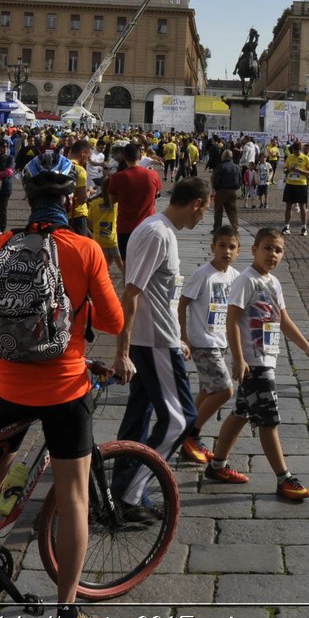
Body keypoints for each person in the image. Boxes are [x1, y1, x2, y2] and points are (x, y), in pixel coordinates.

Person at [0, 148, 125, 618]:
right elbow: (112, 321)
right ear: (72, 197)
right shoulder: (85, 250)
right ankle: (67, 613)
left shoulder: (0, 245)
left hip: (8, 386)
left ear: (27, 195)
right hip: (66, 388)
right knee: (75, 499)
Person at [112, 176, 211, 512]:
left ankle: (123, 483)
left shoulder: (159, 230)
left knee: (140, 413)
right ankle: (131, 492)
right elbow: (131, 292)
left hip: (157, 338)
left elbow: (158, 295)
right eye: (203, 212)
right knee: (180, 419)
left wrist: (178, 338)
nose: (201, 220)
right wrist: (122, 352)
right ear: (196, 203)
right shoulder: (157, 232)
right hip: (153, 341)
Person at [204, 227, 309, 499]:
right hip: (254, 362)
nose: (272, 254)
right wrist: (238, 359)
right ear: (254, 250)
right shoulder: (246, 281)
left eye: (278, 250)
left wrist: (306, 347)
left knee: (242, 413)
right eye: (267, 248)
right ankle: (284, 478)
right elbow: (232, 321)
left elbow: (283, 320)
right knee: (269, 418)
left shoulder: (273, 283)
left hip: (266, 358)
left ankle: (216, 466)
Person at [176, 225, 241, 465]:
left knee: (207, 389)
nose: (226, 251)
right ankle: (191, 434)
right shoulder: (203, 275)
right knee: (224, 390)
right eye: (222, 245)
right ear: (213, 247)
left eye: (231, 247)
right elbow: (182, 304)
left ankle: (186, 431)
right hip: (203, 343)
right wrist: (184, 336)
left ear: (238, 251)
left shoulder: (235, 277)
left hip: (220, 342)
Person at [108, 144, 163, 261]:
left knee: (127, 265)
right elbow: (155, 199)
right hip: (148, 226)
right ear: (140, 156)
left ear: (125, 157)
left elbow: (112, 201)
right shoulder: (153, 175)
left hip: (125, 227)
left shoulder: (117, 177)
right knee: (146, 265)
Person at [280, 139, 309, 236]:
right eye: (294, 151)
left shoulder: (305, 158)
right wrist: (289, 169)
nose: (295, 153)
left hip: (301, 184)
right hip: (290, 184)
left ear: (300, 150)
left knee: (302, 207)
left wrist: (300, 171)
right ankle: (286, 226)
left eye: (297, 152)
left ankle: (304, 228)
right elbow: (285, 170)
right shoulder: (290, 157)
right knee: (288, 206)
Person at [211, 149, 243, 233]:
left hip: (221, 190)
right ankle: (235, 226)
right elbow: (240, 179)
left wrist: (215, 188)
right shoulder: (236, 166)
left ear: (224, 157)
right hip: (233, 190)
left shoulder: (220, 166)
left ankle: (217, 228)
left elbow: (216, 179)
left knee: (218, 210)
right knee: (232, 209)